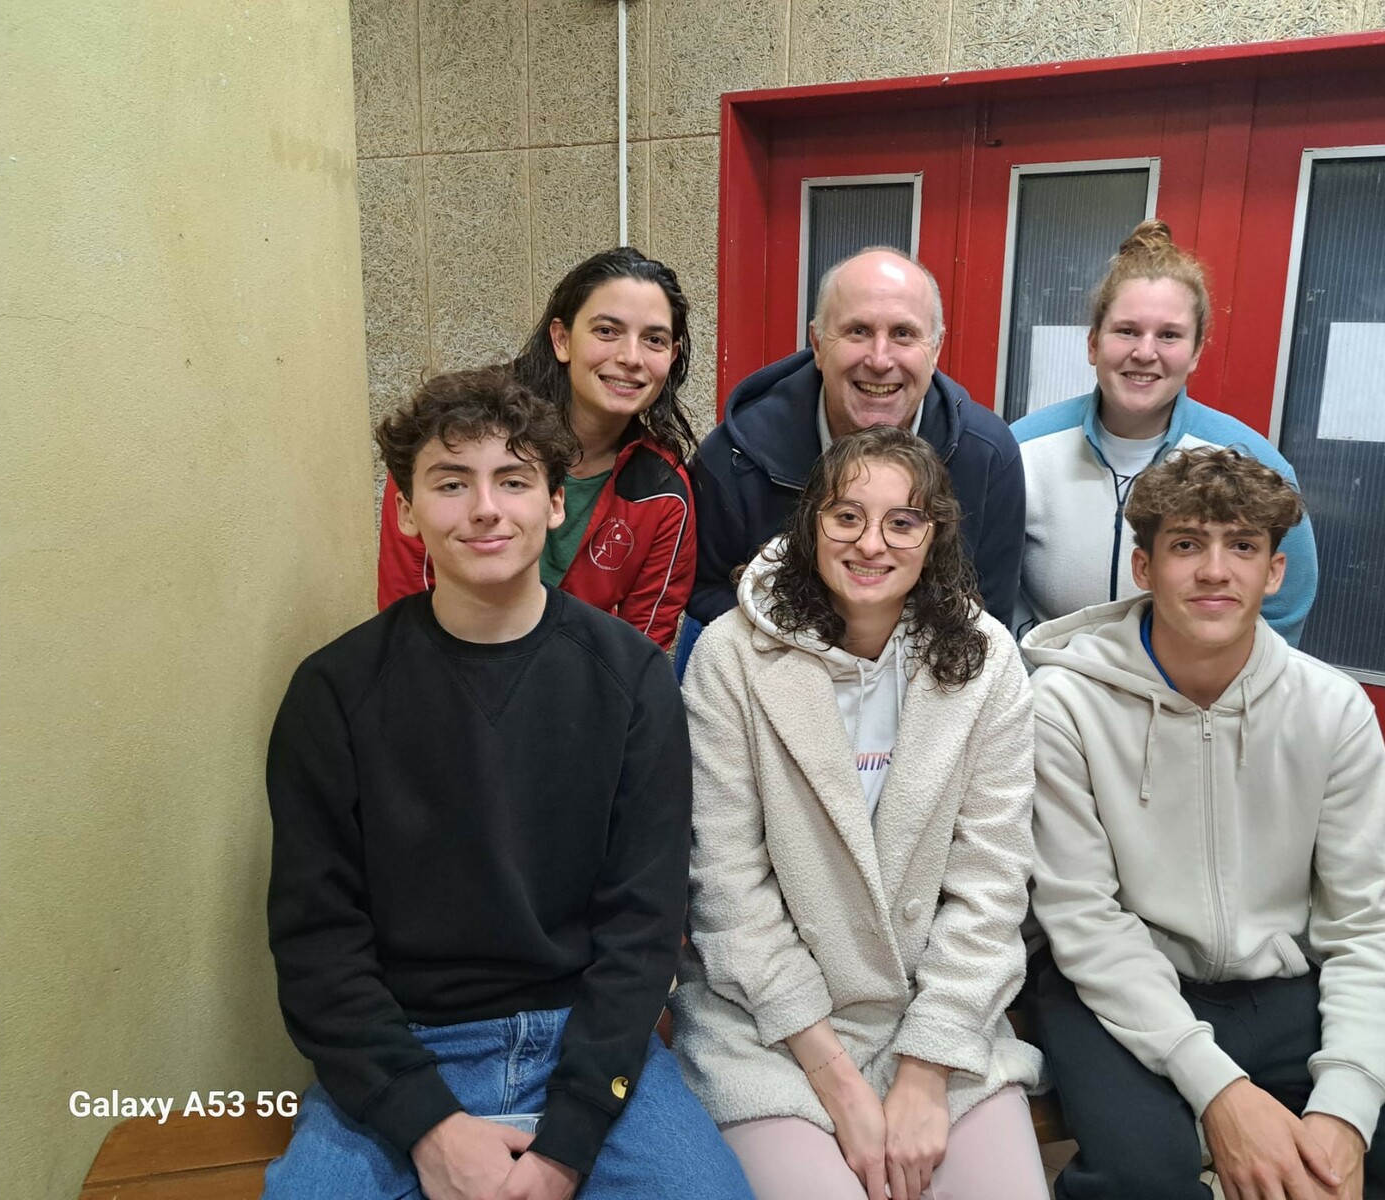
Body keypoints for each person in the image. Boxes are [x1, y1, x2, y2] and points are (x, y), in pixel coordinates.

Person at [264, 367, 751, 1200]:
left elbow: (643, 925)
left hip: (584, 1039)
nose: (486, 508)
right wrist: (427, 1125)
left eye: (514, 481)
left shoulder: (633, 679)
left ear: (555, 504)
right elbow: (317, 941)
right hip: (407, 1044)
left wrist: (568, 1144)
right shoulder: (335, 692)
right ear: (407, 510)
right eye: (452, 483)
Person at [1021, 446, 1385, 1200]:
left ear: (1274, 572)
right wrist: (1222, 1094)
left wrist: (1344, 1109)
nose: (1215, 571)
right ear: (1144, 567)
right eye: (1187, 545)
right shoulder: (1064, 707)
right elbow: (1082, 918)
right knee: (1143, 1180)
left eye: (1242, 546)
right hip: (1114, 986)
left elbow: (1368, 921)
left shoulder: (1332, 709)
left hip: (1282, 983)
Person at [672, 425, 1047, 1200]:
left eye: (902, 522)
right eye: (846, 516)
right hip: (771, 1028)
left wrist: (926, 1068)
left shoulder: (988, 663)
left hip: (936, 1014)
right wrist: (839, 1085)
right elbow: (728, 894)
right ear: (811, 523)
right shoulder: (730, 658)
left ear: (934, 536)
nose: (871, 543)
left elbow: (991, 887)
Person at [1009, 220, 1318, 645]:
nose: (1145, 352)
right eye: (1127, 331)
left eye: (1169, 335)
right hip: (1049, 680)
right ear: (1093, 343)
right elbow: (985, 586)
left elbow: (1283, 609)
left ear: (1195, 353)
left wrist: (1220, 681)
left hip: (1193, 684)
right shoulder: (1020, 451)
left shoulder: (1250, 463)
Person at [688, 247, 1026, 630]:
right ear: (817, 344)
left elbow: (987, 616)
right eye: (858, 331)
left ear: (935, 349)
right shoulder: (734, 458)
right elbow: (707, 591)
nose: (880, 360)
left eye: (903, 334)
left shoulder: (988, 457)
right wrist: (812, 649)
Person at [378, 247, 698, 650]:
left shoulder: (662, 492)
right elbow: (407, 606)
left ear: (671, 356)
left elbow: (639, 652)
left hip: (578, 682)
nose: (631, 357)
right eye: (606, 331)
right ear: (562, 339)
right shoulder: (450, 442)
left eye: (653, 339)